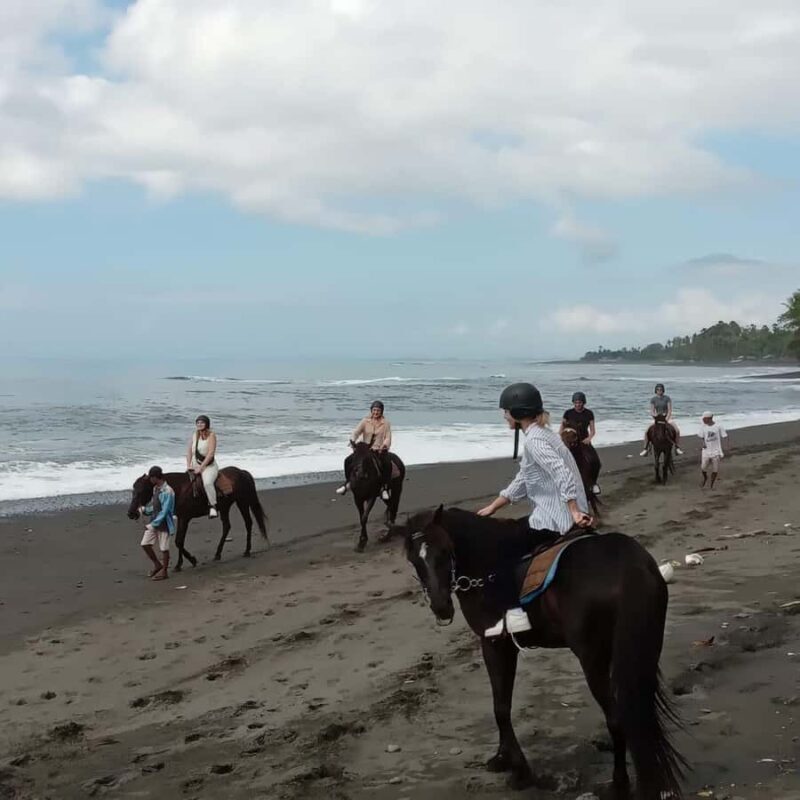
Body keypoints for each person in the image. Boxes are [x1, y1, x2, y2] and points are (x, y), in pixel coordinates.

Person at [477, 382, 593, 637]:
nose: (504, 416)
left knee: (502, 550)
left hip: (554, 519)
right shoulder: (543, 434)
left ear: (517, 413)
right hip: (558, 511)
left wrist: (573, 511)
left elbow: (561, 473)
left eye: (506, 411)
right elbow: (524, 478)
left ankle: (514, 613)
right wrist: (494, 506)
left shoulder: (534, 442)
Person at [336, 400, 393, 501]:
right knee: (348, 460)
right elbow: (356, 432)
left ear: (382, 411)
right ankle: (347, 483)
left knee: (387, 464)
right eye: (374, 410)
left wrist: (384, 445)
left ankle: (384, 488)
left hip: (378, 449)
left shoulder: (386, 423)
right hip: (364, 450)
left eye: (378, 410)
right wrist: (353, 440)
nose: (376, 412)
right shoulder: (365, 421)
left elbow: (388, 437)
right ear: (371, 410)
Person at [560, 390, 600, 495]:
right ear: (573, 402)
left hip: (584, 442)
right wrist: (561, 438)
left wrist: (589, 438)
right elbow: (562, 428)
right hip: (570, 441)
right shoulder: (568, 413)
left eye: (580, 402)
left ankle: (594, 483)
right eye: (576, 402)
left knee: (596, 462)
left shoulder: (589, 413)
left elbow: (592, 430)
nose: (578, 404)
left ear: (583, 403)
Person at [140, 466, 175, 581]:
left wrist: (153, 524)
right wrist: (146, 510)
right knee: (145, 544)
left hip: (164, 523)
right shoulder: (156, 489)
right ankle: (157, 564)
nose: (150, 480)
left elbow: (165, 511)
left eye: (151, 477)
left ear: (155, 477)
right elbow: (156, 507)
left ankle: (164, 571)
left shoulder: (168, 491)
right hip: (154, 520)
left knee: (164, 548)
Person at [187, 414, 219, 518]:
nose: (199, 424)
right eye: (198, 423)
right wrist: (188, 465)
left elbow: (211, 453)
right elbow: (189, 451)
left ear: (207, 424)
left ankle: (213, 506)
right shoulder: (195, 434)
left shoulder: (212, 435)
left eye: (202, 422)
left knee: (207, 483)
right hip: (194, 464)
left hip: (208, 466)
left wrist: (201, 468)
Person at [640, 383, 684, 457]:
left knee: (677, 430)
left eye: (661, 389)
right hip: (657, 418)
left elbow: (669, 410)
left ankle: (677, 447)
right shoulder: (653, 399)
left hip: (667, 417)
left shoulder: (667, 398)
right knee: (646, 431)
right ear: (656, 390)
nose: (659, 391)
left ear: (663, 390)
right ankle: (645, 449)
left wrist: (666, 418)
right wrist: (655, 417)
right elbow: (652, 411)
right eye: (658, 390)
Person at [699, 411, 728, 489]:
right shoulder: (703, 427)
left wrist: (725, 448)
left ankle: (711, 484)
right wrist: (703, 443)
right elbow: (702, 437)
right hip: (706, 451)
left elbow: (724, 436)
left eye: (704, 418)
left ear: (709, 418)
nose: (703, 420)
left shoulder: (719, 426)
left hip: (716, 451)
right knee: (703, 467)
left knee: (715, 469)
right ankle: (705, 477)